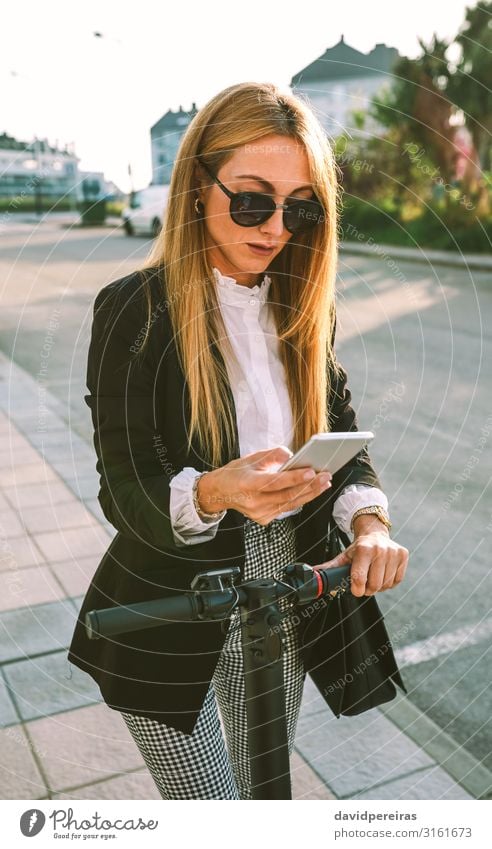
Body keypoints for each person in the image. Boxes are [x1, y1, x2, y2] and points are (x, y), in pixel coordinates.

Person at [67, 81, 409, 800]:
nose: (276, 226)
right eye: (252, 199)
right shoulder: (133, 310)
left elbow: (344, 437)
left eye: (301, 206)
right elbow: (121, 484)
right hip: (167, 598)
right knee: (212, 811)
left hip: (284, 582)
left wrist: (371, 524)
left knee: (265, 792)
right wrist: (214, 489)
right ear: (199, 184)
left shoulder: (303, 310)